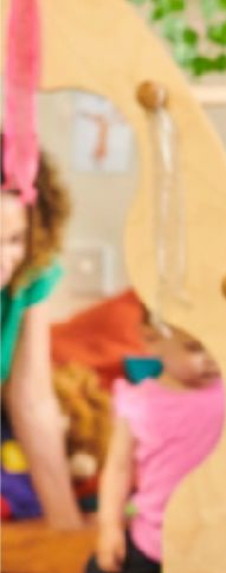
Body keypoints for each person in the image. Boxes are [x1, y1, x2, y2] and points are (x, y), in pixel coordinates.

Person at [86, 318, 224, 573]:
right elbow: (118, 469)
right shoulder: (139, 401)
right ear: (152, 340)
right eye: (195, 348)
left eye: (219, 346)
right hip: (155, 540)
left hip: (222, 536)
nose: (212, 358)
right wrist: (110, 528)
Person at [0, 142, 84, 530]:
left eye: (14, 240)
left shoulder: (31, 274)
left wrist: (66, 524)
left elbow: (32, 399)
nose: (3, 262)